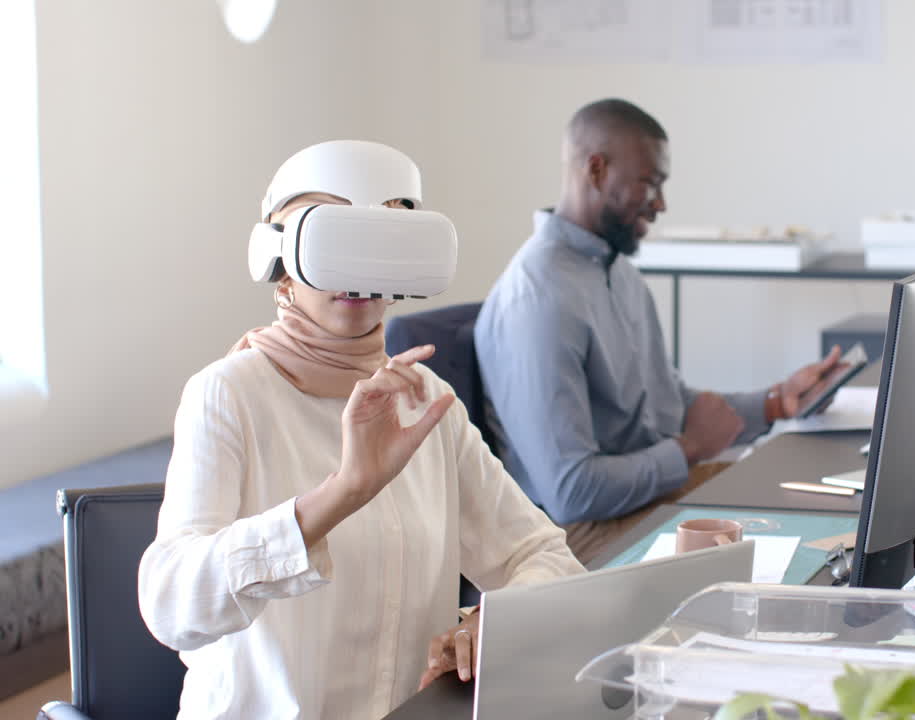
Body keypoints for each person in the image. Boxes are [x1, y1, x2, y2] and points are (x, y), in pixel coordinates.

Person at [138, 140, 583, 719]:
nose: (357, 274)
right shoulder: (228, 394)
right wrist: (342, 493)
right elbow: (171, 608)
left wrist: (488, 622)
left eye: (381, 241)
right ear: (280, 260)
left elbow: (544, 555)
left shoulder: (427, 401)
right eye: (335, 240)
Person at [474, 99, 844, 563]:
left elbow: (667, 407)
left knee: (809, 510)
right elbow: (571, 492)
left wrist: (777, 402)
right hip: (576, 536)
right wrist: (687, 449)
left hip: (643, 503)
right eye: (650, 184)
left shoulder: (618, 272)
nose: (661, 204)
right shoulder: (537, 299)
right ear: (596, 169)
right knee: (800, 548)